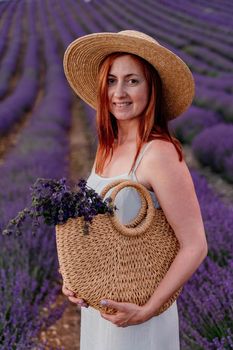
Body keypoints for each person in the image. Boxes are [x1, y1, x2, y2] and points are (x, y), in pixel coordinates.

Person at [62, 30, 208, 350]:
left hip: (140, 316)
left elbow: (195, 244)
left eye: (132, 81)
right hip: (101, 310)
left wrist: (148, 309)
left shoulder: (159, 153)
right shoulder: (108, 148)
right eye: (112, 80)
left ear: (151, 87)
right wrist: (72, 279)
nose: (119, 92)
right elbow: (97, 233)